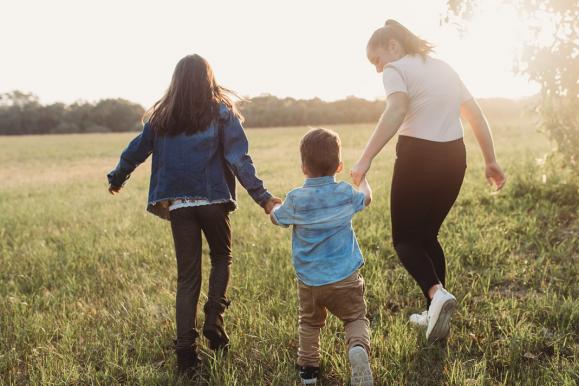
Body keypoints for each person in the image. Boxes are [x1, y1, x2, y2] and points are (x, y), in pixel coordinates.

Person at [106, 54, 280, 374]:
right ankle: (214, 317)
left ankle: (185, 352)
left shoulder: (162, 118)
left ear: (176, 82)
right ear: (208, 80)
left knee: (187, 278)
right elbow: (239, 160)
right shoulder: (222, 113)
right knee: (221, 258)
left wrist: (117, 177)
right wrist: (265, 199)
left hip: (181, 207)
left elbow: (135, 151)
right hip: (213, 201)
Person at [350, 20, 506, 343]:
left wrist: (365, 159)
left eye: (376, 59)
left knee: (404, 240)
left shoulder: (397, 68)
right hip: (454, 160)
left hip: (417, 157)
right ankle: (435, 315)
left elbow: (396, 110)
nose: (379, 69)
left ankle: (436, 295)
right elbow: (475, 114)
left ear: (393, 45)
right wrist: (490, 160)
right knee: (426, 236)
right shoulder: (445, 68)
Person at [270, 128, 374, 386]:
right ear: (338, 167)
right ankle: (357, 348)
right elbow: (367, 198)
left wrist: (273, 206)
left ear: (304, 167)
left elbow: (277, 218)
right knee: (354, 318)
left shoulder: (295, 198)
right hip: (345, 277)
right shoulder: (345, 193)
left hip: (310, 280)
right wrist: (361, 179)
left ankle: (308, 371)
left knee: (309, 323)